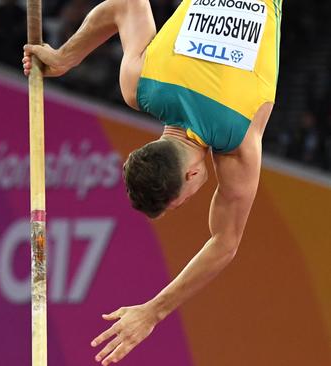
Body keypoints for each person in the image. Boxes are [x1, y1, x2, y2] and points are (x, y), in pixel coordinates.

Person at [22, 0, 282, 364]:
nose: (192, 198)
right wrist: (65, 57)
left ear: (191, 175)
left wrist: (153, 312)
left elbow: (225, 242)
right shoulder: (140, 86)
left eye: (184, 200)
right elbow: (126, 4)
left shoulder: (237, 138)